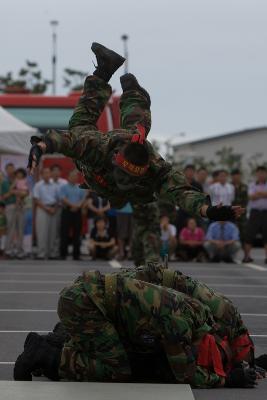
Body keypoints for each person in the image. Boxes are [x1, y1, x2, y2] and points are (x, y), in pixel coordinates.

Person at [27, 43, 243, 226]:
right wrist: (40, 146)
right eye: (124, 177)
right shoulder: (98, 147)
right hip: (101, 169)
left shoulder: (156, 170)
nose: (125, 181)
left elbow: (182, 193)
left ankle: (122, 85)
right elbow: (65, 140)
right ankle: (120, 82)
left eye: (130, 178)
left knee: (134, 128)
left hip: (130, 190)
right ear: (115, 159)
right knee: (82, 127)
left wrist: (209, 211)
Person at [14, 263, 262, 388]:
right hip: (85, 305)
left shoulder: (198, 311)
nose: (192, 353)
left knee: (135, 344)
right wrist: (226, 380)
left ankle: (60, 339)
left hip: (94, 301)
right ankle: (44, 356)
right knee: (118, 370)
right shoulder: (179, 324)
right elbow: (184, 373)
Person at [60, 170, 86, 260]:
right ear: (68, 177)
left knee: (77, 233)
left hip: (77, 211)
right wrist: (73, 205)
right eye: (72, 176)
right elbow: (63, 198)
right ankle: (63, 254)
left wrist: (78, 206)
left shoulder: (80, 187)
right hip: (67, 210)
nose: (74, 178)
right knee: (64, 233)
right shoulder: (63, 187)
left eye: (76, 176)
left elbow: (83, 198)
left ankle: (76, 254)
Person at [33, 167, 59, 259]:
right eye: (45, 173)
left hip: (53, 209)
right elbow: (36, 199)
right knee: (42, 232)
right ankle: (41, 253)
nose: (47, 175)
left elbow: (58, 199)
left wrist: (54, 208)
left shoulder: (55, 185)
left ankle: (52, 253)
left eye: (48, 173)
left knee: (53, 232)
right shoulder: (38, 185)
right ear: (42, 174)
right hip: (42, 209)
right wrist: (47, 209)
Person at [243, 166, 267, 263]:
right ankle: (247, 256)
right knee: (249, 234)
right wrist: (263, 194)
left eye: (263, 173)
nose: (261, 175)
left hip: (266, 212)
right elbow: (251, 196)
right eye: (259, 173)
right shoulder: (252, 184)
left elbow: (256, 195)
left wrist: (258, 194)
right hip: (255, 212)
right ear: (256, 174)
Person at [231, 168, 248, 245]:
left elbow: (246, 200)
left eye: (237, 175)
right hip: (231, 214)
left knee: (244, 235)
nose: (236, 177)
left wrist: (240, 210)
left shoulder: (245, 187)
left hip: (242, 214)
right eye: (234, 175)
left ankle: (246, 256)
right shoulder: (229, 186)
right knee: (231, 234)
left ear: (240, 176)